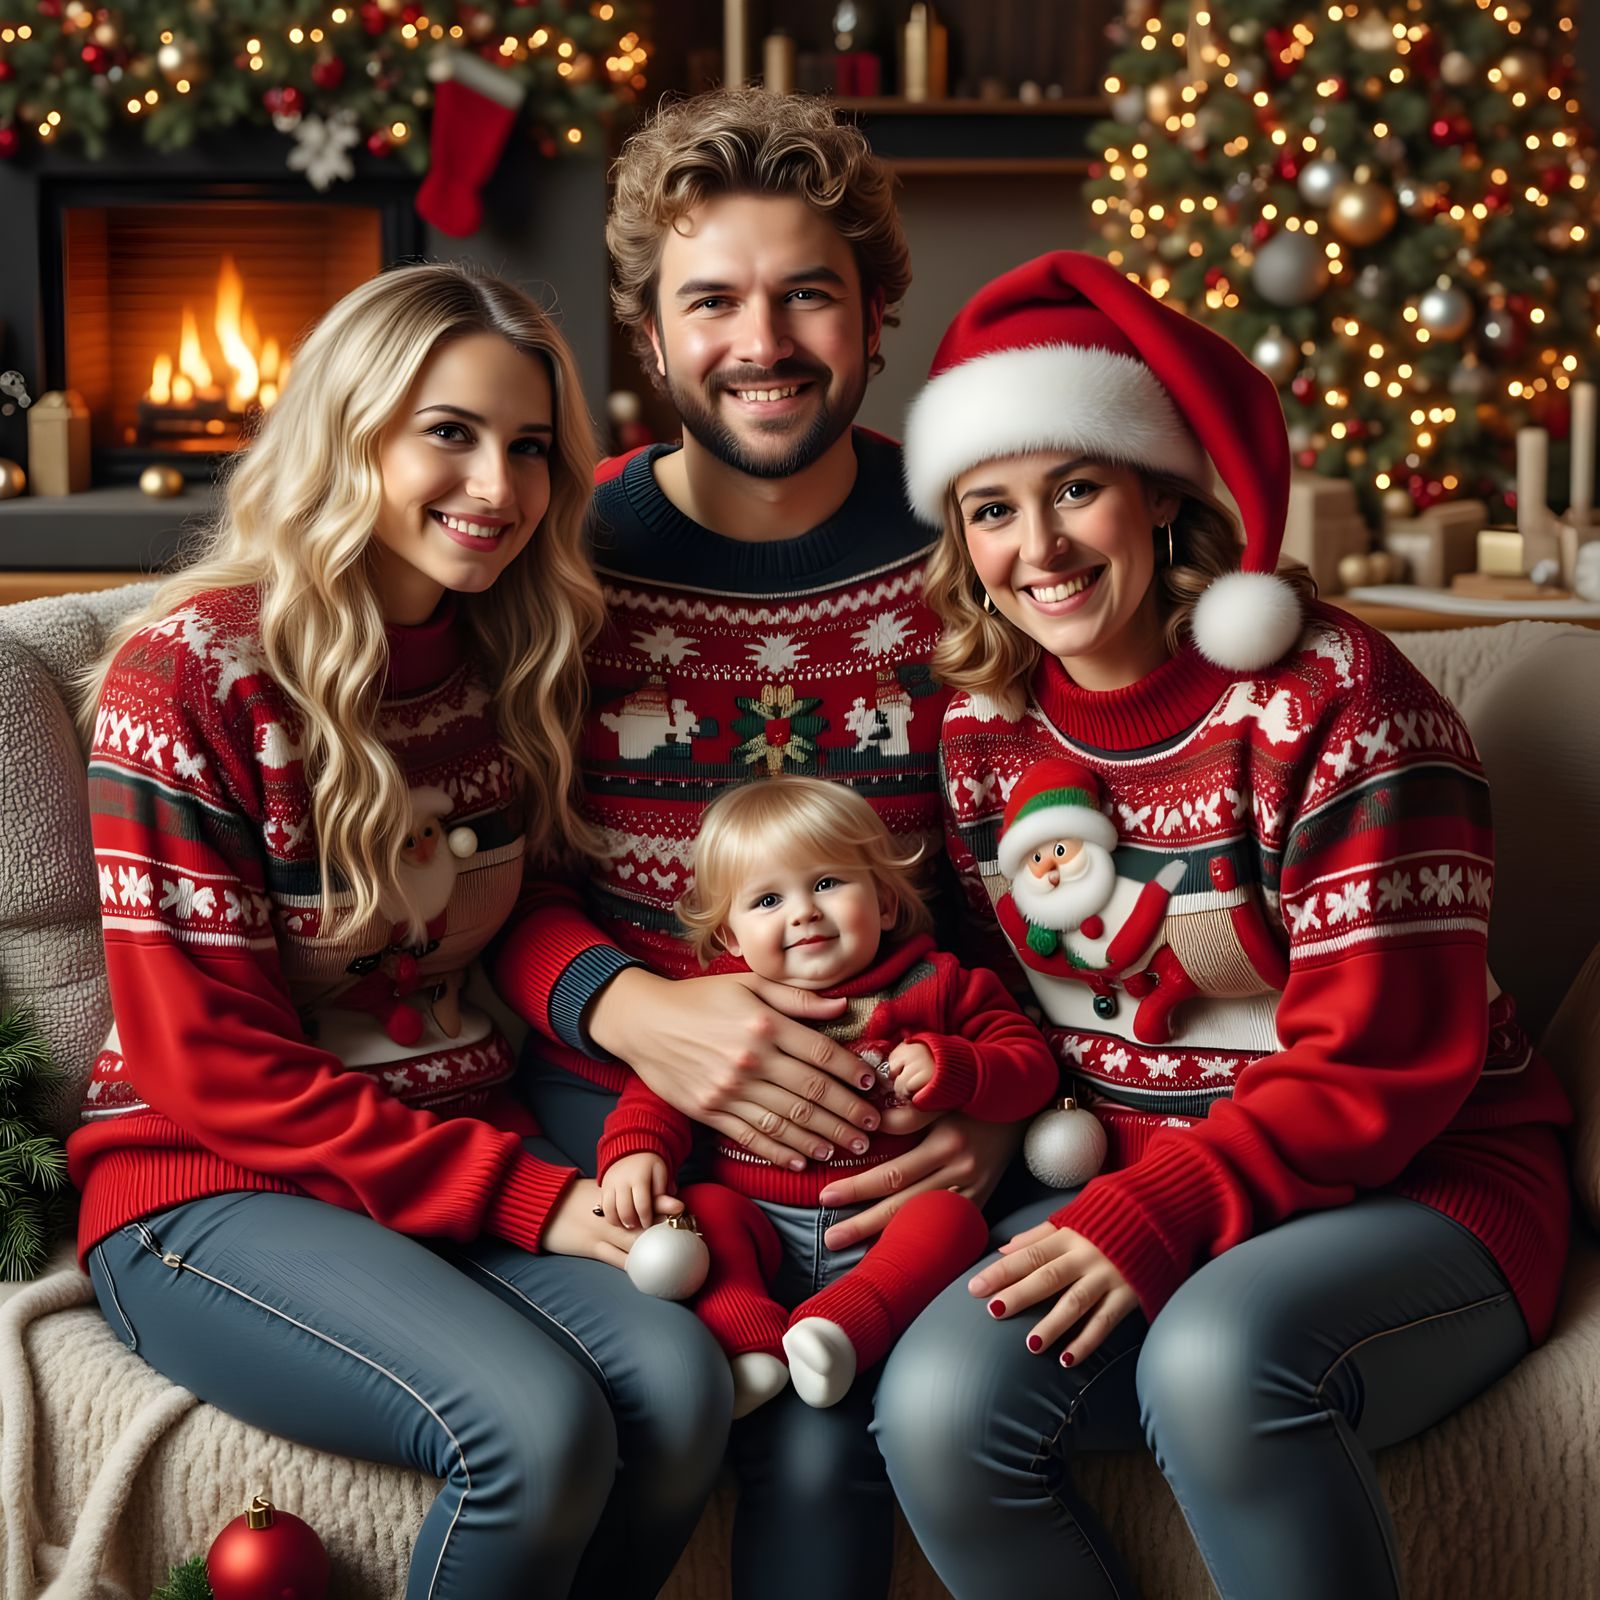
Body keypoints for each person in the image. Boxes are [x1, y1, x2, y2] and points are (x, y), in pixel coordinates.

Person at [871, 250, 1573, 1600]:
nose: (1042, 548)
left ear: (1159, 497)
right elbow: (1003, 1000)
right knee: (939, 1413)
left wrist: (1160, 1205)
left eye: (1077, 487)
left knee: (1215, 1365)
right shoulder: (980, 731)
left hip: (1426, 1183)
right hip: (1122, 1175)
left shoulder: (1342, 703)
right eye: (992, 510)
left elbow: (1384, 1064)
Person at [68, 262, 732, 1600]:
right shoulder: (192, 677)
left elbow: (527, 909)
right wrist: (530, 1198)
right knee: (537, 1433)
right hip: (208, 1185)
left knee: (681, 1392)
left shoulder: (504, 656)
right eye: (450, 433)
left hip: (446, 1134)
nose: (498, 485)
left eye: (530, 447)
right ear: (351, 430)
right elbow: (208, 1065)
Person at [490, 88, 1021, 1600]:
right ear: (650, 337)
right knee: (655, 1390)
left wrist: (986, 1114)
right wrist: (638, 1011)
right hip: (626, 1126)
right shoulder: (557, 558)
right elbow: (483, 875)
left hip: (900, 1106)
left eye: (808, 295)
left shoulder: (970, 545)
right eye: (712, 300)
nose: (763, 341)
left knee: (819, 1434)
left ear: (874, 316)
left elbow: (1033, 875)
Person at [597, 776, 1056, 1415]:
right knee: (702, 1210)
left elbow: (1031, 1066)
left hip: (893, 1226)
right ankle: (751, 1344)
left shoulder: (942, 985)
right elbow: (659, 1087)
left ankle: (840, 1328)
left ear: (886, 904)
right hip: (757, 1214)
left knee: (953, 1222)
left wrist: (954, 1067)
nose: (803, 912)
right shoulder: (729, 1010)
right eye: (765, 900)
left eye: (826, 884)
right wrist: (635, 1151)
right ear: (729, 937)